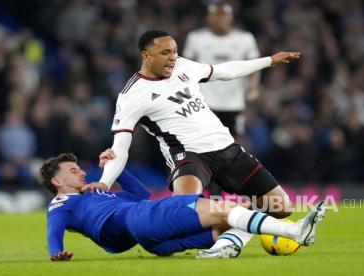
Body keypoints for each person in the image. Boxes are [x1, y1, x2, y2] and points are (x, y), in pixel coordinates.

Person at [96, 29, 300, 257]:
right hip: (189, 156)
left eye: (174, 51)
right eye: (165, 52)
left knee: (281, 207)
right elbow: (120, 148)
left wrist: (269, 60)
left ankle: (232, 230)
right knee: (184, 208)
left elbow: (224, 71)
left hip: (227, 149)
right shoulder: (132, 95)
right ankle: (178, 241)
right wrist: (104, 183)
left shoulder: (183, 66)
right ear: (146, 55)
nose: (172, 57)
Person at [40, 153, 326, 261]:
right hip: (143, 219)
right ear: (57, 181)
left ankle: (225, 247)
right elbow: (54, 229)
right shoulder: (64, 201)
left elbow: (140, 192)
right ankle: (293, 230)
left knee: (227, 221)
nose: (81, 173)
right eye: (73, 171)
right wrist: (56, 252)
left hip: (150, 240)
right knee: (225, 207)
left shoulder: (98, 196)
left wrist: (114, 171)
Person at [183, 1, 261, 197]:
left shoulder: (244, 38)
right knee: (204, 147)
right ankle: (211, 191)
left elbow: (253, 65)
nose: (220, 19)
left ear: (231, 17)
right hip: (204, 103)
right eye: (216, 15)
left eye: (224, 15)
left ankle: (231, 188)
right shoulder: (196, 38)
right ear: (209, 18)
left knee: (233, 148)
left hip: (233, 103)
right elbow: (185, 66)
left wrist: (253, 87)